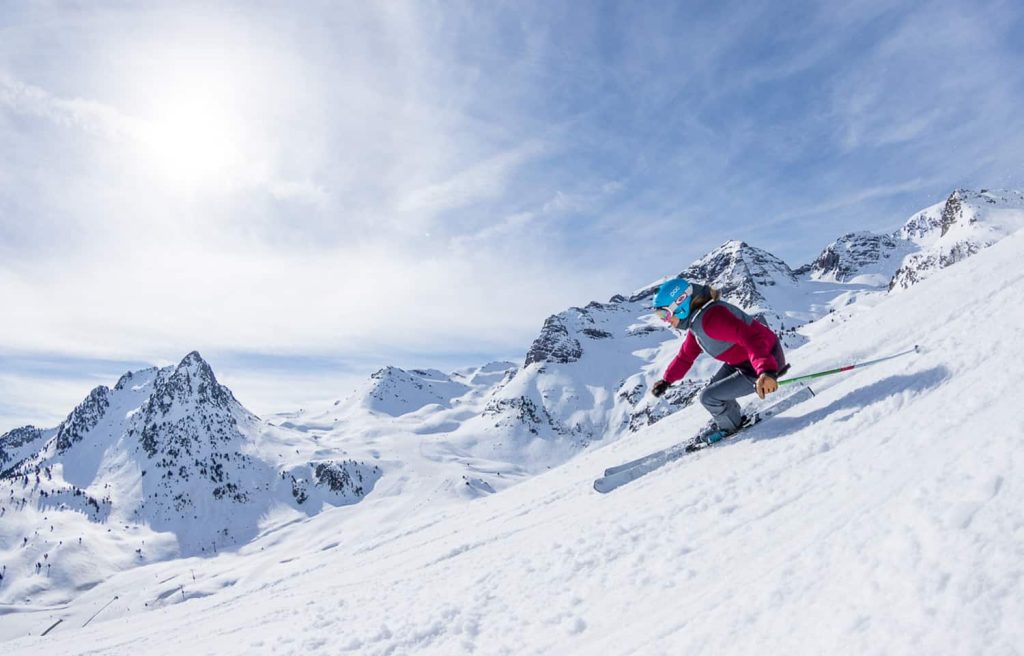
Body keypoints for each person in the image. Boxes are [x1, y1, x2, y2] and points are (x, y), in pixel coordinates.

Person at [649, 278, 788, 441]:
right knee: (713, 388)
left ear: (681, 303)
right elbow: (685, 356)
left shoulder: (712, 320)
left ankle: (730, 428)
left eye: (664, 314)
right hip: (745, 363)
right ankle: (731, 418)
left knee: (709, 397)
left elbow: (751, 337)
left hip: (764, 362)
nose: (665, 320)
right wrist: (666, 381)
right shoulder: (698, 324)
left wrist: (767, 371)